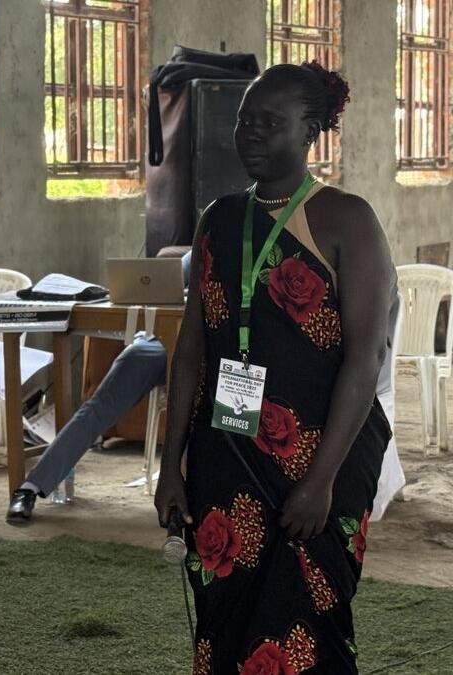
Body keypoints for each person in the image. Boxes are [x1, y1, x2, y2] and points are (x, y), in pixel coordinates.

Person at [155, 62, 394, 673]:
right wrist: (170, 462)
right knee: (226, 611)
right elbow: (191, 349)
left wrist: (320, 481)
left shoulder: (347, 219)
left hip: (319, 453)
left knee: (308, 618)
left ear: (310, 131)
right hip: (226, 449)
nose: (252, 134)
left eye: (270, 122)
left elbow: (365, 359)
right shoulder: (218, 218)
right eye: (245, 121)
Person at [6, 254, 191, 522]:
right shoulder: (205, 241)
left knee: (201, 405)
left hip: (204, 350)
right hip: (157, 341)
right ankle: (30, 488)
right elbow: (163, 280)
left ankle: (195, 500)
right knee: (99, 405)